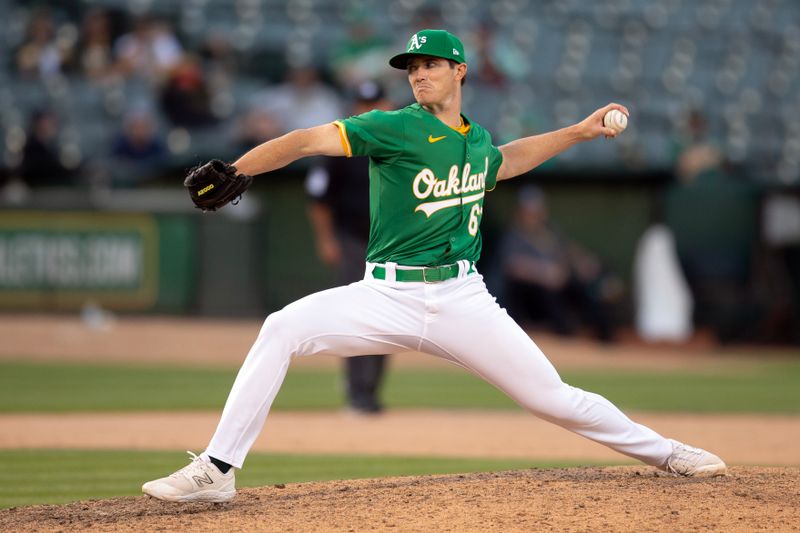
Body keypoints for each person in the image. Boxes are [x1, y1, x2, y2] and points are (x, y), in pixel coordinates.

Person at [142, 29, 727, 503]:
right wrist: (240, 169)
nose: (418, 74)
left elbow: (505, 161)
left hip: (463, 301)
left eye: (430, 65)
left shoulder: (476, 141)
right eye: (411, 67)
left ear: (459, 72)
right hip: (385, 294)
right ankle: (218, 469)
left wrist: (577, 131)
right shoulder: (394, 126)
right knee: (281, 328)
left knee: (552, 398)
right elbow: (304, 140)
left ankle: (667, 452)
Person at [304, 81, 393, 414]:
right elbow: (318, 198)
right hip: (354, 241)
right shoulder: (342, 145)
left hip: (391, 245)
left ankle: (370, 392)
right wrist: (326, 239)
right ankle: (357, 392)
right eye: (364, 103)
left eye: (377, 102)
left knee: (388, 320)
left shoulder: (399, 141)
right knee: (359, 317)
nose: (371, 109)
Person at [498, 186, 616, 342]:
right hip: (532, 289)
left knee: (582, 288)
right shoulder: (513, 235)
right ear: (520, 211)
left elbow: (567, 249)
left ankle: (606, 340)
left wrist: (582, 262)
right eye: (529, 212)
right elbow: (512, 266)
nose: (534, 216)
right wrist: (543, 273)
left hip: (559, 282)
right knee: (548, 295)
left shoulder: (549, 231)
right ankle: (567, 340)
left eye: (537, 211)